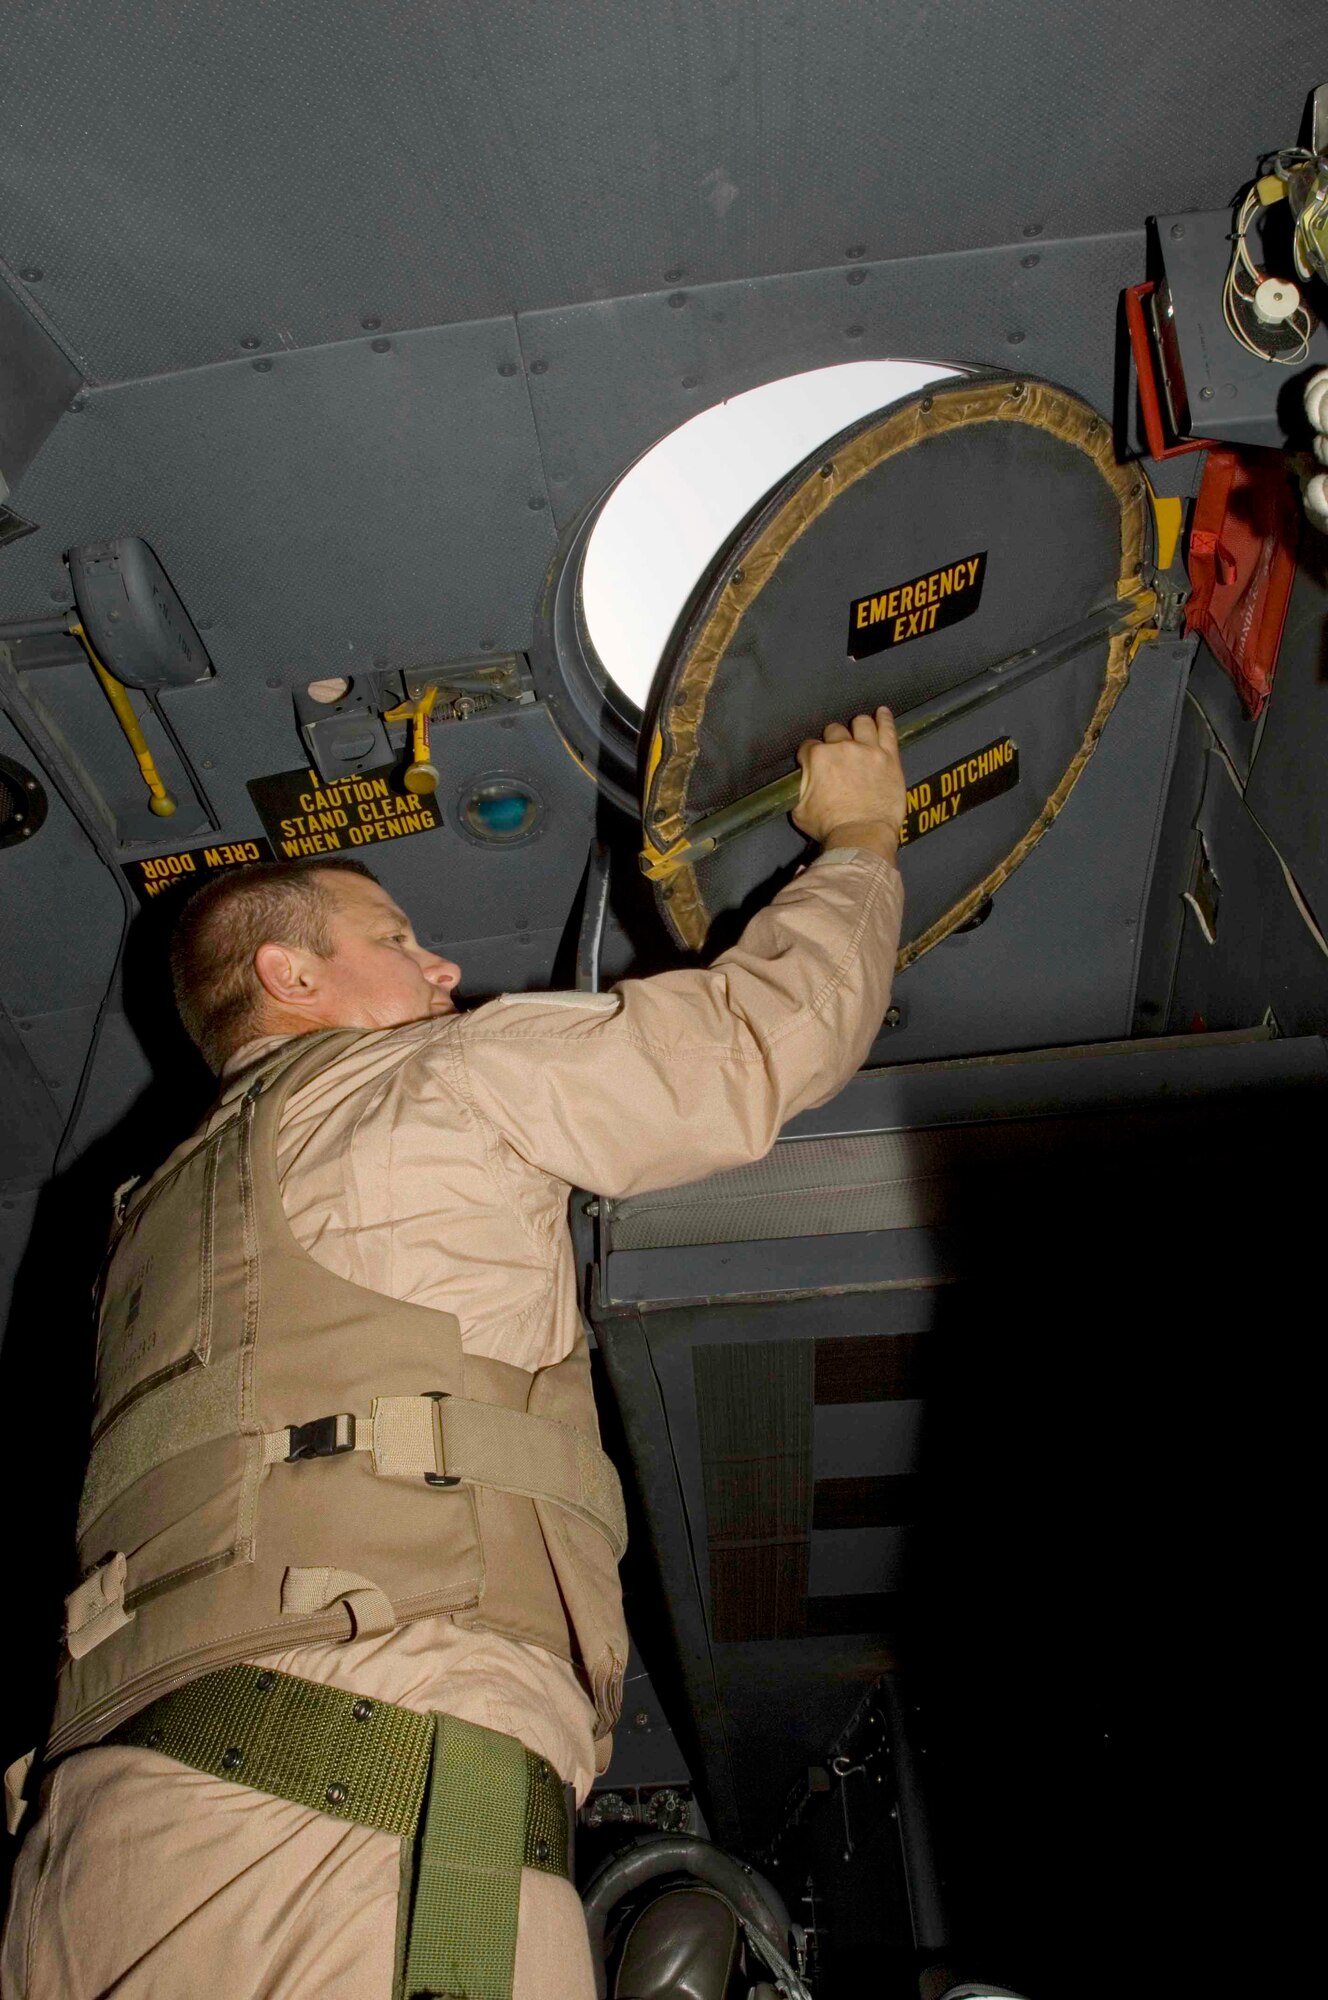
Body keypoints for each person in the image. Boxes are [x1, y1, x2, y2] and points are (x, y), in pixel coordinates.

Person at [2, 708, 907, 2000]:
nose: (440, 974)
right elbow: (759, 1043)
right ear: (291, 979)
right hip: (355, 1818)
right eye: (396, 942)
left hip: (85, 1869)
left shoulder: (144, 1234)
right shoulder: (424, 1083)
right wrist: (865, 837)